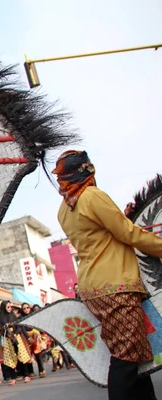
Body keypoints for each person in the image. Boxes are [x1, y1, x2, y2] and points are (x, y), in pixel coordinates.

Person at [53, 150, 162, 400]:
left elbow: (100, 233)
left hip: (94, 286)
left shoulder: (65, 208)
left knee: (135, 356)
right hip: (115, 285)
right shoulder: (93, 196)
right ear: (86, 171)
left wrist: (121, 217)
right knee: (126, 358)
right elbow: (128, 234)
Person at [0, 301, 31, 385]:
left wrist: (15, 333)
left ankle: (26, 375)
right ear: (4, 307)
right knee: (11, 358)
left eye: (10, 307)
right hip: (7, 339)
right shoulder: (0, 317)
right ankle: (13, 377)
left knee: (22, 356)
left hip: (16, 337)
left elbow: (19, 326)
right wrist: (5, 330)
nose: (10, 308)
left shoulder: (13, 315)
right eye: (8, 307)